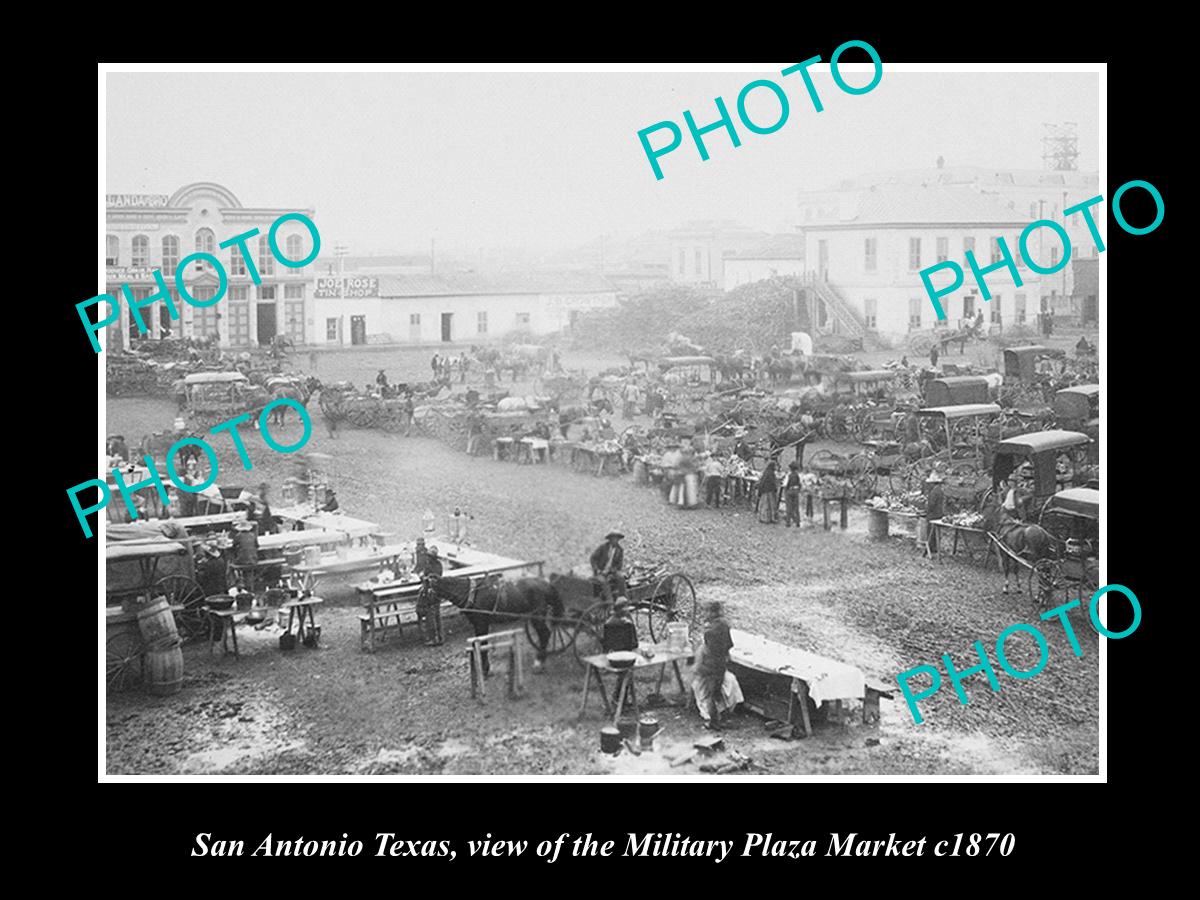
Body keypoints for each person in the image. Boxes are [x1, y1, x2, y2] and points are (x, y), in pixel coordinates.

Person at [692, 601, 742, 730]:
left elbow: (707, 652)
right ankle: (725, 717)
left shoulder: (709, 632)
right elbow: (730, 645)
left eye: (706, 612)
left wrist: (699, 665)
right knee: (717, 692)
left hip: (710, 667)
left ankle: (714, 723)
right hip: (721, 665)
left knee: (709, 696)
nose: (704, 614)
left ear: (712, 612)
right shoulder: (725, 625)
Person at [417, 545, 444, 646]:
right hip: (438, 591)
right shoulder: (439, 565)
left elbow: (427, 578)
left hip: (430, 592)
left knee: (430, 615)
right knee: (437, 614)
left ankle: (434, 638)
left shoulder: (429, 566)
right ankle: (440, 637)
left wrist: (422, 577)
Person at [589, 531, 627, 603]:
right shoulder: (603, 547)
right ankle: (610, 600)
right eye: (613, 538)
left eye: (617, 539)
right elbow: (592, 558)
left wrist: (613, 570)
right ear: (610, 539)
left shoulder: (620, 550)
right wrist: (596, 569)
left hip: (611, 571)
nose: (615, 540)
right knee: (603, 581)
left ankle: (622, 597)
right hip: (600, 571)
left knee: (621, 577)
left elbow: (619, 564)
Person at [923, 472, 946, 553]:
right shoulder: (939, 490)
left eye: (930, 484)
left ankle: (930, 548)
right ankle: (935, 547)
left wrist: (926, 511)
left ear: (933, 483)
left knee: (930, 532)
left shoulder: (934, 492)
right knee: (936, 533)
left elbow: (931, 504)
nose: (929, 485)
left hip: (933, 514)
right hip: (939, 513)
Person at [756, 460, 780, 524]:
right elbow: (773, 483)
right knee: (770, 505)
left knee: (764, 504)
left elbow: (762, 481)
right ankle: (769, 518)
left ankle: (763, 518)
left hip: (765, 490)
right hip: (769, 490)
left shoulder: (766, 472)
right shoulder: (771, 474)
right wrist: (775, 488)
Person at [783, 461, 803, 527]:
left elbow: (785, 484)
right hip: (796, 491)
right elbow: (800, 484)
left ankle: (788, 522)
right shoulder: (798, 475)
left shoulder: (788, 475)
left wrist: (785, 491)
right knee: (796, 507)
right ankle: (797, 522)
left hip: (789, 491)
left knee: (789, 507)